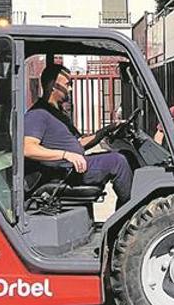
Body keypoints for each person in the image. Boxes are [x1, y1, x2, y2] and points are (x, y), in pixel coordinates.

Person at [24, 64, 133, 207]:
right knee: (118, 162)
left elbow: (80, 143)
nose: (70, 89)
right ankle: (131, 216)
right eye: (67, 84)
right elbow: (27, 148)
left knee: (126, 155)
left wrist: (107, 130)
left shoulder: (57, 113)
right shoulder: (38, 114)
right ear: (52, 86)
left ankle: (124, 215)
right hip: (63, 171)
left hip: (73, 165)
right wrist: (66, 155)